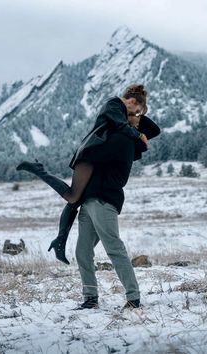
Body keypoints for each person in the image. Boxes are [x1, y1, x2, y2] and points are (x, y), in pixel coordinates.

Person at [16, 84, 152, 264]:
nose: (136, 115)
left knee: (76, 200)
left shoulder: (119, 111)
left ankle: (60, 242)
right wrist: (136, 135)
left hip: (96, 156)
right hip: (90, 154)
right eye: (138, 111)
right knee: (73, 197)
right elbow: (120, 126)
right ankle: (38, 170)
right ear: (133, 101)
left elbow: (121, 137)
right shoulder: (114, 104)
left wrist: (138, 141)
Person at [74, 111, 160, 310]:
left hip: (103, 199)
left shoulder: (123, 141)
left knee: (114, 248)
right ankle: (90, 297)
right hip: (90, 200)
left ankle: (133, 297)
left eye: (136, 116)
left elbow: (92, 153)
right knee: (83, 252)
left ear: (138, 128)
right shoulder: (122, 138)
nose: (129, 115)